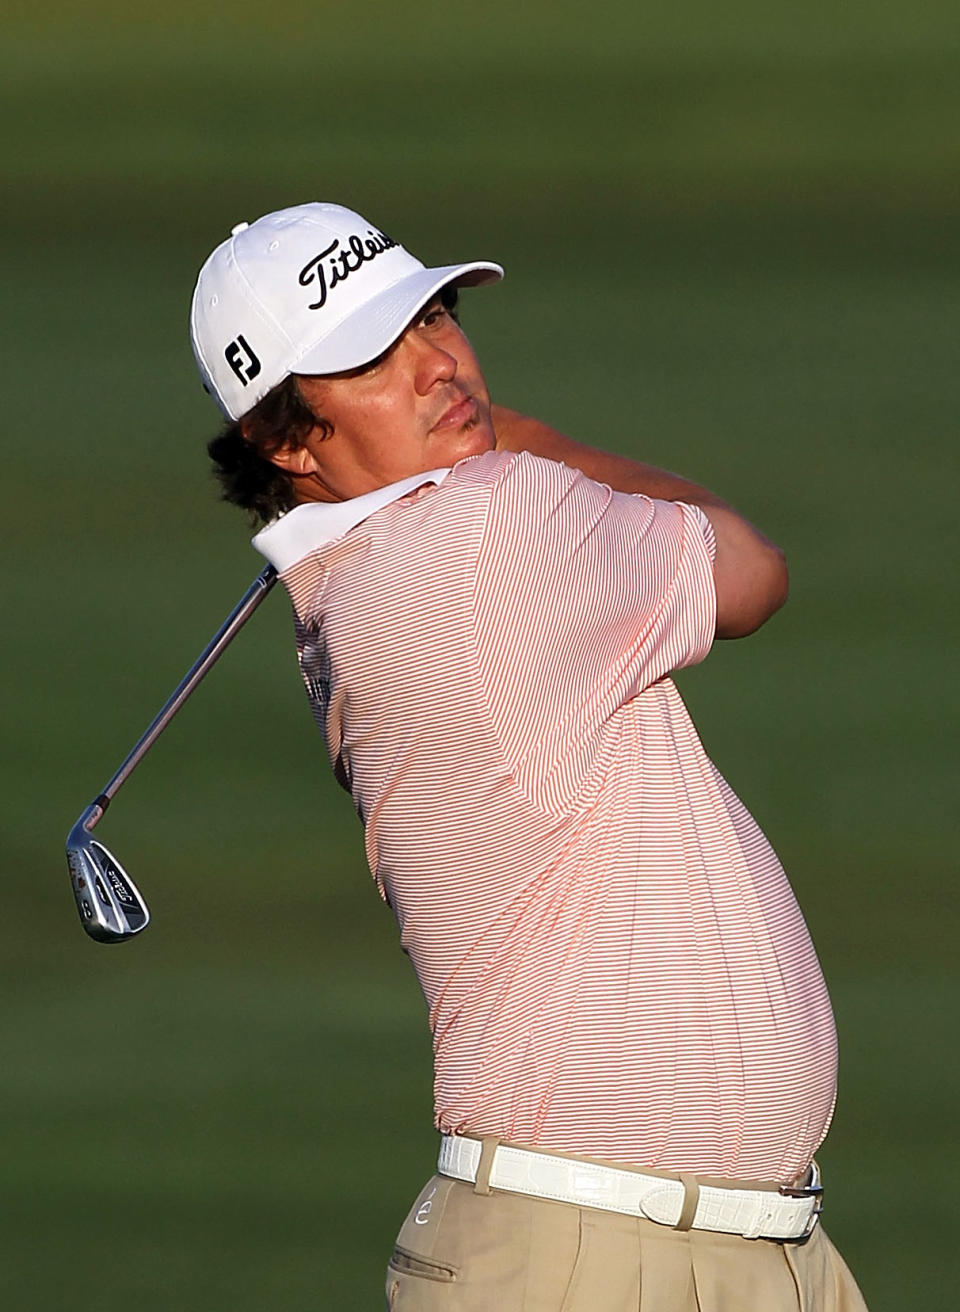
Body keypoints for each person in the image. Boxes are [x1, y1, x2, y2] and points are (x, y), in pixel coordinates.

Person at [190, 202, 868, 1311]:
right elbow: (754, 571)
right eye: (371, 355)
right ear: (287, 440)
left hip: (708, 1245)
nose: (438, 363)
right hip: (587, 1257)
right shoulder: (487, 523)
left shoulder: (358, 588)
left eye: (432, 316)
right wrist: (529, 437)